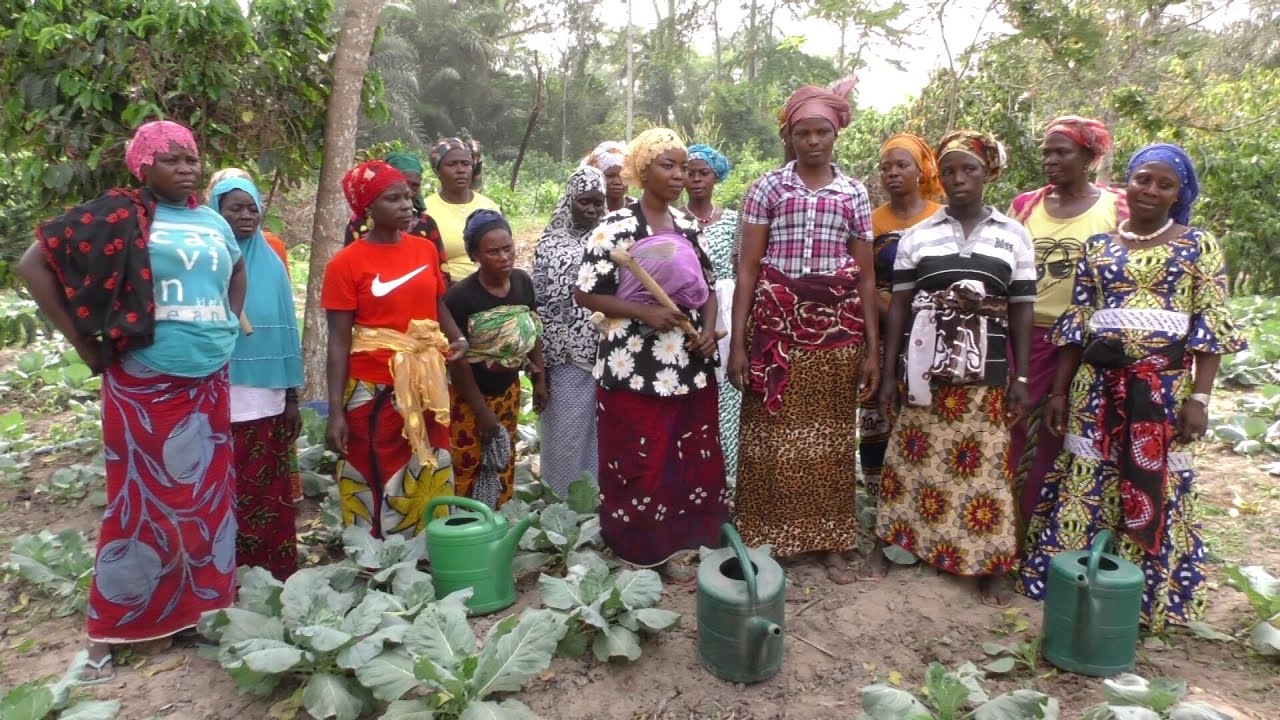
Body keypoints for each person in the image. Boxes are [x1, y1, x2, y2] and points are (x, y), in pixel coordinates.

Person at [17, 120, 245, 682]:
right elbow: (32, 265)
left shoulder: (212, 219)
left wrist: (228, 324)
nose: (187, 168)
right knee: (139, 503)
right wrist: (84, 345)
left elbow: (236, 269)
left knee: (208, 499)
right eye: (171, 159)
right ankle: (111, 628)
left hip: (209, 378)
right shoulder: (113, 215)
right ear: (142, 166)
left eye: (192, 157)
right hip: (145, 378)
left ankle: (201, 613)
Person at [1018, 144, 1245, 632]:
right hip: (1094, 390)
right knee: (1087, 479)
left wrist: (1200, 399)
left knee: (1154, 482)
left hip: (1162, 394)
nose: (1151, 190)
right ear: (1130, 181)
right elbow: (1078, 326)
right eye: (1144, 179)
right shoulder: (1097, 248)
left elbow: (1209, 328)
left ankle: (1144, 597)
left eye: (1165, 184)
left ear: (1179, 193)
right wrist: (1058, 393)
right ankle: (1072, 584)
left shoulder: (1196, 246)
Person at [728, 81, 879, 585]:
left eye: (822, 132)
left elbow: (865, 275)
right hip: (776, 327)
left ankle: (829, 541)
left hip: (838, 331)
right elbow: (748, 268)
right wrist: (737, 343)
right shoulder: (768, 188)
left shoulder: (854, 192)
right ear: (790, 137)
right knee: (771, 434)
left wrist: (874, 350)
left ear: (836, 135)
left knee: (832, 437)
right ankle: (767, 536)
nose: (813, 141)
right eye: (802, 133)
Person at [874, 130, 1034, 606]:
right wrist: (890, 374)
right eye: (948, 172)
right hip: (924, 368)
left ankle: (989, 564)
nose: (958, 179)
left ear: (989, 174)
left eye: (970, 170)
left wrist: (1021, 378)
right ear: (936, 178)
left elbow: (1022, 307)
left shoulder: (1012, 234)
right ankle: (897, 545)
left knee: (985, 468)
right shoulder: (919, 236)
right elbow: (900, 308)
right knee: (913, 459)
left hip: (987, 369)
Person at [574, 127, 729, 583]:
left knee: (687, 453)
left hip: (687, 363)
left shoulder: (687, 226)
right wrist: (643, 311)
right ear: (643, 171)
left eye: (684, 166)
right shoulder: (615, 228)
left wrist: (707, 332)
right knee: (640, 456)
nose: (680, 175)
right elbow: (586, 294)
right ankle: (640, 547)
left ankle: (683, 539)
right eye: (669, 165)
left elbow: (707, 286)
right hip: (634, 366)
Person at [322, 160, 468, 539]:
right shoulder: (345, 264)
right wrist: (335, 412)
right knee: (373, 466)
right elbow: (338, 342)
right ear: (367, 208)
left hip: (427, 384)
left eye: (408, 196)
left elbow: (437, 304)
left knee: (431, 463)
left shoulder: (423, 250)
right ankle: (375, 559)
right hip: (372, 387)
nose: (407, 206)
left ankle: (430, 551)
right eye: (393, 198)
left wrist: (457, 338)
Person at [1006, 117, 1128, 526]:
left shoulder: (1117, 206)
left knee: (1068, 436)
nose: (1050, 160)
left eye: (1062, 152)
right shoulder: (1026, 206)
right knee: (1016, 433)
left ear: (1089, 157)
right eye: (1046, 152)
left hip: (1086, 343)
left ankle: (1053, 530)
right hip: (1026, 338)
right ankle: (1010, 528)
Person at [209, 174, 304, 580]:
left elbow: (286, 324)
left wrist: (293, 397)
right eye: (235, 208)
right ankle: (224, 574)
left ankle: (273, 572)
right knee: (223, 486)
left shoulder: (271, 259)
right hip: (217, 391)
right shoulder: (207, 260)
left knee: (266, 486)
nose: (246, 216)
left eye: (252, 208)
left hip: (266, 393)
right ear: (215, 211)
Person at [862, 134, 943, 577]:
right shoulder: (871, 219)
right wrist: (888, 308)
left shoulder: (942, 218)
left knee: (924, 425)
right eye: (886, 167)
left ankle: (924, 518)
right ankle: (885, 520)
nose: (892, 173)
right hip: (880, 330)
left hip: (932, 337)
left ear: (921, 171)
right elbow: (862, 275)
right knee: (879, 422)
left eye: (901, 165)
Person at [445, 209, 546, 508]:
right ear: (474, 255)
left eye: (508, 248)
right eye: (493, 252)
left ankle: (499, 521)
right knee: (467, 461)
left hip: (508, 392)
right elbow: (458, 361)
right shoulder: (460, 297)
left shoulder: (522, 283)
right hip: (468, 397)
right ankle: (465, 527)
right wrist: (482, 413)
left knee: (503, 457)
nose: (504, 256)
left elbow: (532, 328)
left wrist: (539, 377)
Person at [531, 166, 608, 497]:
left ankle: (593, 503)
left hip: (606, 355)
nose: (591, 210)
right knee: (563, 433)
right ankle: (558, 504)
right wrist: (539, 367)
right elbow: (538, 303)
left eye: (597, 203)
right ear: (569, 201)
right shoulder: (549, 244)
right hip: (562, 358)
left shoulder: (611, 239)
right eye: (584, 202)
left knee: (600, 433)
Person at [681, 143, 741, 479]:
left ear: (716, 177)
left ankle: (728, 475)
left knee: (727, 392)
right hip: (688, 311)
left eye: (703, 173)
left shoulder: (733, 221)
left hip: (727, 314)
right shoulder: (674, 221)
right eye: (689, 173)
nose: (696, 179)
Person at [344, 151, 447, 263]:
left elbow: (441, 273)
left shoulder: (426, 224)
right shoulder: (358, 223)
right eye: (393, 198)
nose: (411, 192)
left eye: (415, 185)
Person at [426, 137, 500, 280]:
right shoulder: (427, 211)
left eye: (466, 164)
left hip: (490, 285)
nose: (460, 170)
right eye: (452, 164)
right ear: (438, 171)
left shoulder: (488, 206)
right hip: (449, 290)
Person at [583, 140, 631, 212]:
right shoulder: (589, 212)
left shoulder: (639, 211)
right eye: (610, 176)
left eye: (622, 175)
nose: (617, 182)